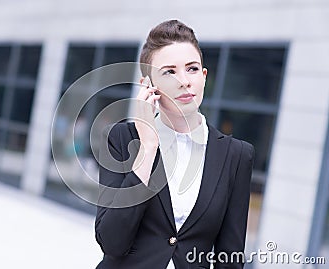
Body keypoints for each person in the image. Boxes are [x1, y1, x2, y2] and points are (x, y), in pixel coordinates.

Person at [95, 19, 255, 269]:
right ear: (148, 85)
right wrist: (147, 147)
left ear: (203, 76)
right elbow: (112, 242)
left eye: (192, 69)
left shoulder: (236, 155)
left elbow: (230, 257)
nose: (184, 80)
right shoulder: (122, 139)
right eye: (169, 71)